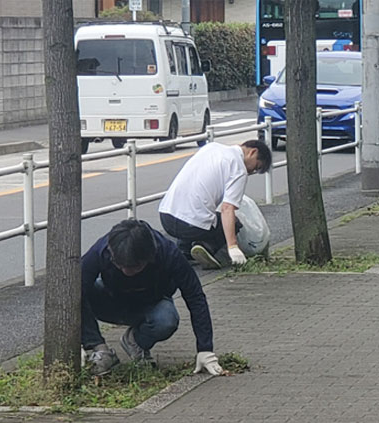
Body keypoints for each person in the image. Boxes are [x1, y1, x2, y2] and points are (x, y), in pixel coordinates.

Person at [81, 219, 224, 377]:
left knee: (167, 320)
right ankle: (102, 352)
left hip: (150, 304)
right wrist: (89, 341)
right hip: (110, 301)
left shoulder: (169, 253)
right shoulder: (101, 250)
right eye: (119, 265)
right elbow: (72, 294)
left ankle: (135, 341)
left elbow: (195, 296)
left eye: (135, 267)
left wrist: (205, 349)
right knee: (79, 288)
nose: (126, 271)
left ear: (149, 257)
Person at [158, 140, 271, 269]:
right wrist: (232, 246)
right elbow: (227, 209)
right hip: (190, 225)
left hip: (166, 215)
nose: (251, 172)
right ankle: (206, 247)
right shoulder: (238, 169)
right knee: (234, 223)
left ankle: (184, 251)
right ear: (253, 152)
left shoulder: (211, 148)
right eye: (256, 167)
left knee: (198, 212)